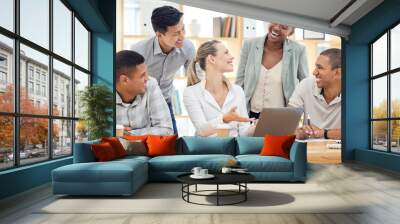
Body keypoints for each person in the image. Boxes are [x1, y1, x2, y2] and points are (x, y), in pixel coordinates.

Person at [131, 6, 196, 134]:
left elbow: (195, 80)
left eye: (183, 29)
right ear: (159, 35)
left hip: (165, 102)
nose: (182, 36)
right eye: (176, 33)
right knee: (139, 144)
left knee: (172, 143)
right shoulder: (139, 51)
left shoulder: (188, 48)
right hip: (140, 104)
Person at [235, 23, 309, 119]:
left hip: (280, 116)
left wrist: (296, 112)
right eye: (275, 22)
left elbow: (305, 84)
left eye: (284, 27)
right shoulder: (249, 45)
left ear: (290, 32)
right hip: (249, 114)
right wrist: (236, 110)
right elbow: (239, 81)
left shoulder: (298, 50)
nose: (277, 28)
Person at [183, 40, 255, 137]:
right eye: (226, 53)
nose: (232, 57)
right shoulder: (191, 93)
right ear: (212, 59)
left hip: (233, 150)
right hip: (208, 150)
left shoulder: (238, 91)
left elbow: (243, 132)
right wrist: (224, 119)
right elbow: (201, 130)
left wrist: (255, 128)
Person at [116, 50, 173, 135]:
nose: (147, 78)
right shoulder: (102, 96)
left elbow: (167, 130)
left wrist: (129, 134)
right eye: (142, 75)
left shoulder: (150, 84)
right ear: (124, 80)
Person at [288, 48, 341, 140]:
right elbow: (288, 119)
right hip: (308, 148)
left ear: (337, 72)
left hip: (339, 150)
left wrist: (323, 133)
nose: (314, 72)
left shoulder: (354, 94)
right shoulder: (306, 84)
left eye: (320, 68)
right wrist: (298, 132)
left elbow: (357, 132)